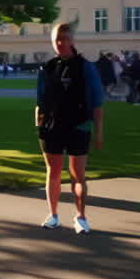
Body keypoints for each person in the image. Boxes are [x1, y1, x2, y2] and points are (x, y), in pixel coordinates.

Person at [35, 23, 105, 234]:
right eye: (58, 39)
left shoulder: (85, 67)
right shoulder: (47, 68)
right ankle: (53, 215)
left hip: (78, 125)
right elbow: (40, 100)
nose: (61, 43)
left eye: (66, 39)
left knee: (77, 174)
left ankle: (81, 217)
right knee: (53, 172)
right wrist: (39, 125)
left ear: (72, 41)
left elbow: (97, 102)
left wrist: (99, 131)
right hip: (52, 127)